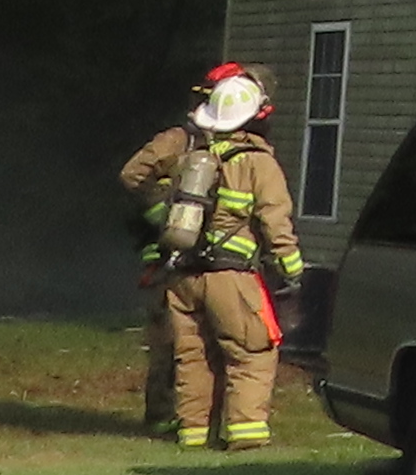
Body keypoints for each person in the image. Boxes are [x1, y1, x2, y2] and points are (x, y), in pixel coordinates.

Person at [117, 63, 303, 450]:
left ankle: (193, 435)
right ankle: (246, 437)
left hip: (184, 277)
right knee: (251, 353)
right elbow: (274, 220)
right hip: (231, 278)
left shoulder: (190, 158)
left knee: (194, 359)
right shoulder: (257, 162)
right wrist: (294, 272)